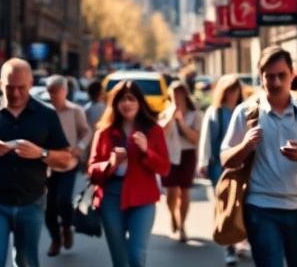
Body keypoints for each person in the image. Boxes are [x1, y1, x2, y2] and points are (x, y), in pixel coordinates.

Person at [221, 46, 297, 266]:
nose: (275, 82)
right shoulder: (246, 112)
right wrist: (246, 145)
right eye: (269, 76)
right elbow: (226, 159)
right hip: (261, 208)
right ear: (261, 77)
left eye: (281, 75)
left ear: (292, 75)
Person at [0, 59, 75, 267]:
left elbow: (66, 158)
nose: (15, 94)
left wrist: (41, 153)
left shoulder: (46, 115)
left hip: (31, 202)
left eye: (21, 88)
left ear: (31, 83)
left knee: (26, 262)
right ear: (0, 83)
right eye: (9, 87)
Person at [88, 81, 171, 267]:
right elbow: (92, 170)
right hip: (110, 197)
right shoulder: (104, 132)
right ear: (115, 104)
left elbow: (164, 168)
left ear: (140, 102)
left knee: (135, 256)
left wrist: (146, 150)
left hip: (143, 197)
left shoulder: (153, 130)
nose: (127, 104)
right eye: (122, 100)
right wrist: (110, 163)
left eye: (131, 99)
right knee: (120, 259)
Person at [197, 74, 244, 266]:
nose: (233, 94)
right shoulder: (214, 112)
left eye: (236, 90)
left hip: (242, 166)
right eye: (230, 91)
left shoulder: (244, 110)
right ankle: (229, 247)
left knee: (242, 204)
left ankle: (241, 238)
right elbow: (206, 139)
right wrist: (203, 162)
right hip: (219, 167)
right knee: (225, 205)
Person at [45, 74, 92, 256]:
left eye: (56, 92)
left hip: (68, 164)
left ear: (64, 91)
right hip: (48, 164)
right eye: (50, 93)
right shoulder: (45, 112)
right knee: (49, 209)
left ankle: (66, 227)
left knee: (64, 200)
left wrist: (80, 147)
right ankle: (55, 239)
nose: (53, 96)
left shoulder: (75, 111)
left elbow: (86, 132)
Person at [161, 81, 202, 243]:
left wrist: (182, 123)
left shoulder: (195, 115)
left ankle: (183, 225)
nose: (177, 98)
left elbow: (195, 138)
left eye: (179, 94)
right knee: (171, 192)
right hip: (170, 156)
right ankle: (173, 215)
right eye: (173, 95)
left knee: (185, 190)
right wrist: (171, 119)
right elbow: (161, 136)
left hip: (187, 155)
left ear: (185, 95)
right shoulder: (166, 113)